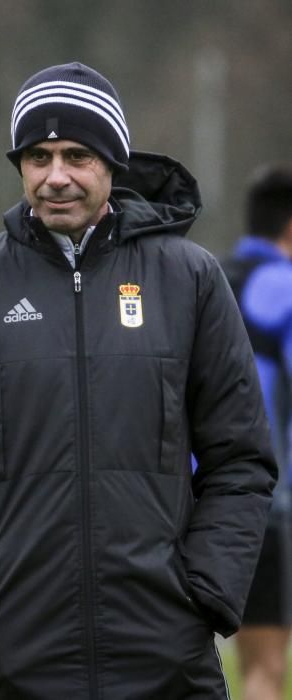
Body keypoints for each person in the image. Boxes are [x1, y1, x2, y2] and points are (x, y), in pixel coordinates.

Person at [0, 62, 277, 700]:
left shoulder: (191, 280)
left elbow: (241, 460)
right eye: (37, 155)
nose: (56, 176)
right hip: (15, 659)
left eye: (77, 155)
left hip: (170, 658)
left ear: (113, 161)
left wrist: (205, 593)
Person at [221, 164, 292, 700]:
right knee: (266, 673)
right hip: (266, 510)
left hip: (188, 506)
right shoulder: (285, 287)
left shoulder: (204, 278)